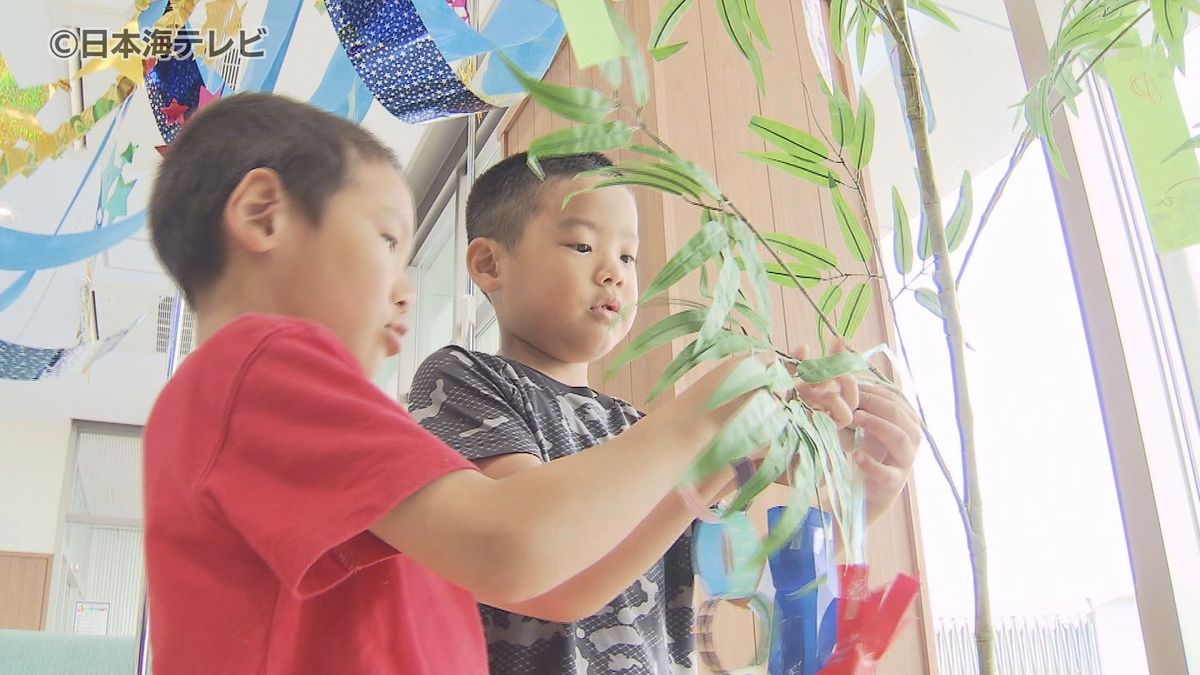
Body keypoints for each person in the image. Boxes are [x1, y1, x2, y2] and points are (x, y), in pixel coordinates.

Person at [141, 94, 790, 674]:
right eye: (387, 239)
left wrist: (714, 449)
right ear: (263, 216)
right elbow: (510, 546)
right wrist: (698, 418)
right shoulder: (264, 364)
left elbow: (551, 585)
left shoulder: (258, 396)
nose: (404, 289)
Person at [409, 151, 921, 674]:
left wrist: (859, 502)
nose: (614, 273)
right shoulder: (463, 378)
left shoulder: (642, 433)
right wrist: (710, 428)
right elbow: (542, 572)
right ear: (489, 264)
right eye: (583, 245)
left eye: (629, 257)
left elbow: (746, 577)